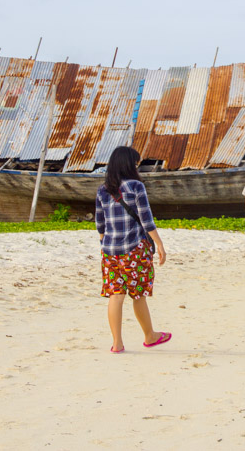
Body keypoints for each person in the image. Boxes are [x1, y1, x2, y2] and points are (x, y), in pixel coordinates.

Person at [96, 146, 170, 353]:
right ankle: (149, 335)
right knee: (138, 294)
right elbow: (146, 220)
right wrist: (160, 244)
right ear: (129, 164)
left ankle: (117, 343)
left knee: (116, 295)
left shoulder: (103, 190)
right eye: (136, 163)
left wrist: (107, 245)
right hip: (134, 250)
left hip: (109, 251)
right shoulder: (136, 186)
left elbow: (100, 225)